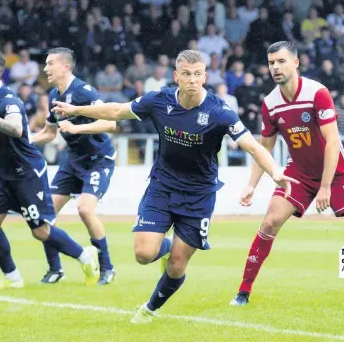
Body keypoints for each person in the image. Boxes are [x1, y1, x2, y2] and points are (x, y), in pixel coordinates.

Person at [51, 50, 298, 323]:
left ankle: (150, 308)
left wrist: (275, 171)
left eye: (197, 74)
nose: (192, 79)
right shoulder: (159, 100)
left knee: (178, 266)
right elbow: (116, 111)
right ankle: (166, 246)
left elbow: (253, 146)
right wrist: (76, 110)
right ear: (176, 76)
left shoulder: (220, 112)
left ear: (205, 76)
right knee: (143, 254)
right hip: (162, 187)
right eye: (186, 74)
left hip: (199, 195)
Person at [230, 41, 344, 306]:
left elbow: (333, 142)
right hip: (299, 173)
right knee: (270, 221)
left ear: (296, 62)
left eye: (281, 61)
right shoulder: (270, 103)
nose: (275, 67)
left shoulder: (318, 93)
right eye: (271, 63)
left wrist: (326, 186)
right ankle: (243, 293)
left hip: (335, 172)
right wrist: (251, 185)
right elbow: (264, 148)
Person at [0, 50, 100, 289]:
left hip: (25, 172)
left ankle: (85, 256)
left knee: (40, 231)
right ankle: (13, 278)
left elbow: (18, 129)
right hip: (2, 172)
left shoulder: (9, 100)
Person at [32, 47, 117, 285]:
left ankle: (107, 268)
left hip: (99, 159)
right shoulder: (53, 96)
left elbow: (110, 124)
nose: (46, 68)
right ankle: (55, 269)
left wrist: (77, 128)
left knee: (85, 209)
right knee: (43, 217)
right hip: (74, 161)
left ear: (65, 67)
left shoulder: (83, 91)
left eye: (50, 64)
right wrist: (24, 139)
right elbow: (49, 133)